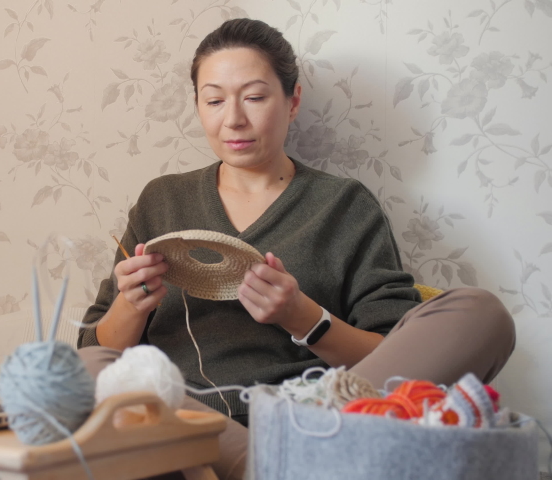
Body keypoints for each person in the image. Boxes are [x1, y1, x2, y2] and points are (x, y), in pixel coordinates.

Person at [77, 18, 515, 480]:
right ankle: (275, 462)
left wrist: (303, 317)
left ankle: (285, 454)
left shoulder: (343, 204)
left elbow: (392, 350)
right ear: (197, 106)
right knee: (86, 368)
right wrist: (131, 304)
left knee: (481, 313)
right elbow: (94, 345)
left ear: (293, 100)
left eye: (254, 96)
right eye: (214, 100)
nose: (233, 119)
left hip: (321, 416)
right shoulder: (162, 199)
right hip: (192, 424)